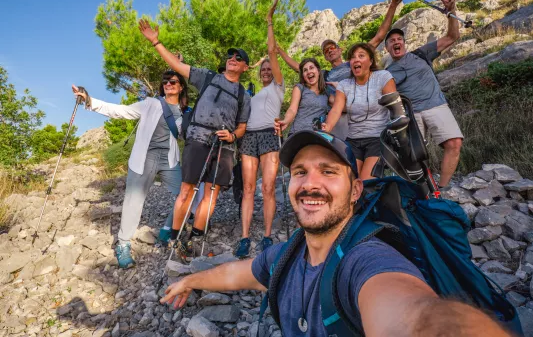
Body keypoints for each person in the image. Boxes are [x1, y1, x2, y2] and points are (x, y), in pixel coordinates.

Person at [160, 130, 510, 337]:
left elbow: (412, 314)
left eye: (328, 172)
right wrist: (192, 281)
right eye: (300, 172)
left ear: (356, 190)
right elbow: (239, 273)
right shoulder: (286, 254)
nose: (310, 184)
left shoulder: (368, 260)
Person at [138, 19, 251, 258]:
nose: (233, 58)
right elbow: (177, 66)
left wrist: (232, 135)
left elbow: (242, 127)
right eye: (230, 56)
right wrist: (156, 42)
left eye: (239, 58)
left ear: (245, 68)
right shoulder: (208, 77)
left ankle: (195, 237)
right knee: (187, 189)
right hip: (198, 139)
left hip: (224, 147)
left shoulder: (244, 94)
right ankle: (177, 237)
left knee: (212, 193)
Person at [72, 70, 188, 268]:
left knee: (186, 195)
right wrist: (90, 100)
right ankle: (123, 244)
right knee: (134, 201)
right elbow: (121, 111)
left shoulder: (186, 111)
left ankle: (167, 229)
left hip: (169, 159)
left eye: (173, 81)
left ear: (181, 87)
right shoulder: (151, 104)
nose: (169, 84)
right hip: (145, 157)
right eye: (166, 81)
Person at [276, 0, 406, 140]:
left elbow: (379, 36)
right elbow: (300, 66)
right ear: (324, 57)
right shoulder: (325, 75)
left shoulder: (355, 62)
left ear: (340, 50)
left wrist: (393, 4)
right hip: (341, 115)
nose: (330, 51)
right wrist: (280, 51)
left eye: (332, 47)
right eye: (326, 51)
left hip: (364, 109)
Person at [385, 0, 462, 190]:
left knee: (454, 143)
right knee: (413, 157)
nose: (396, 42)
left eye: (399, 39)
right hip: (411, 114)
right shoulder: (386, 72)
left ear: (404, 42)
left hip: (436, 105)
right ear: (387, 48)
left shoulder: (421, 53)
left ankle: (442, 190)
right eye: (391, 41)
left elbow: (452, 36)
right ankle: (423, 191)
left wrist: (452, 12)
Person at [235, 0, 285, 258]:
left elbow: (272, 51)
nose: (266, 70)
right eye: (263, 69)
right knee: (248, 189)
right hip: (249, 139)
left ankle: (266, 236)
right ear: (259, 73)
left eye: (269, 68)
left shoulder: (278, 86)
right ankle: (244, 237)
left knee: (267, 187)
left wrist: (269, 22)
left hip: (268, 136)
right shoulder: (253, 95)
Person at [322, 43, 396, 180]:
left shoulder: (383, 77)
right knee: (348, 180)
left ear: (371, 61)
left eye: (361, 56)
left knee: (365, 182)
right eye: (352, 57)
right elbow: (336, 109)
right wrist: (327, 127)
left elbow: (395, 105)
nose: (356, 60)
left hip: (377, 138)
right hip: (353, 140)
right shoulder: (344, 85)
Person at [274, 58, 328, 136]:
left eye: (311, 68)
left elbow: (339, 106)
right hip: (298, 133)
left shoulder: (326, 93)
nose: (309, 71)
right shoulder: (300, 88)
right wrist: (286, 120)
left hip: (318, 135)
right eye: (305, 70)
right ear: (303, 75)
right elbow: (292, 109)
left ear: (318, 71)